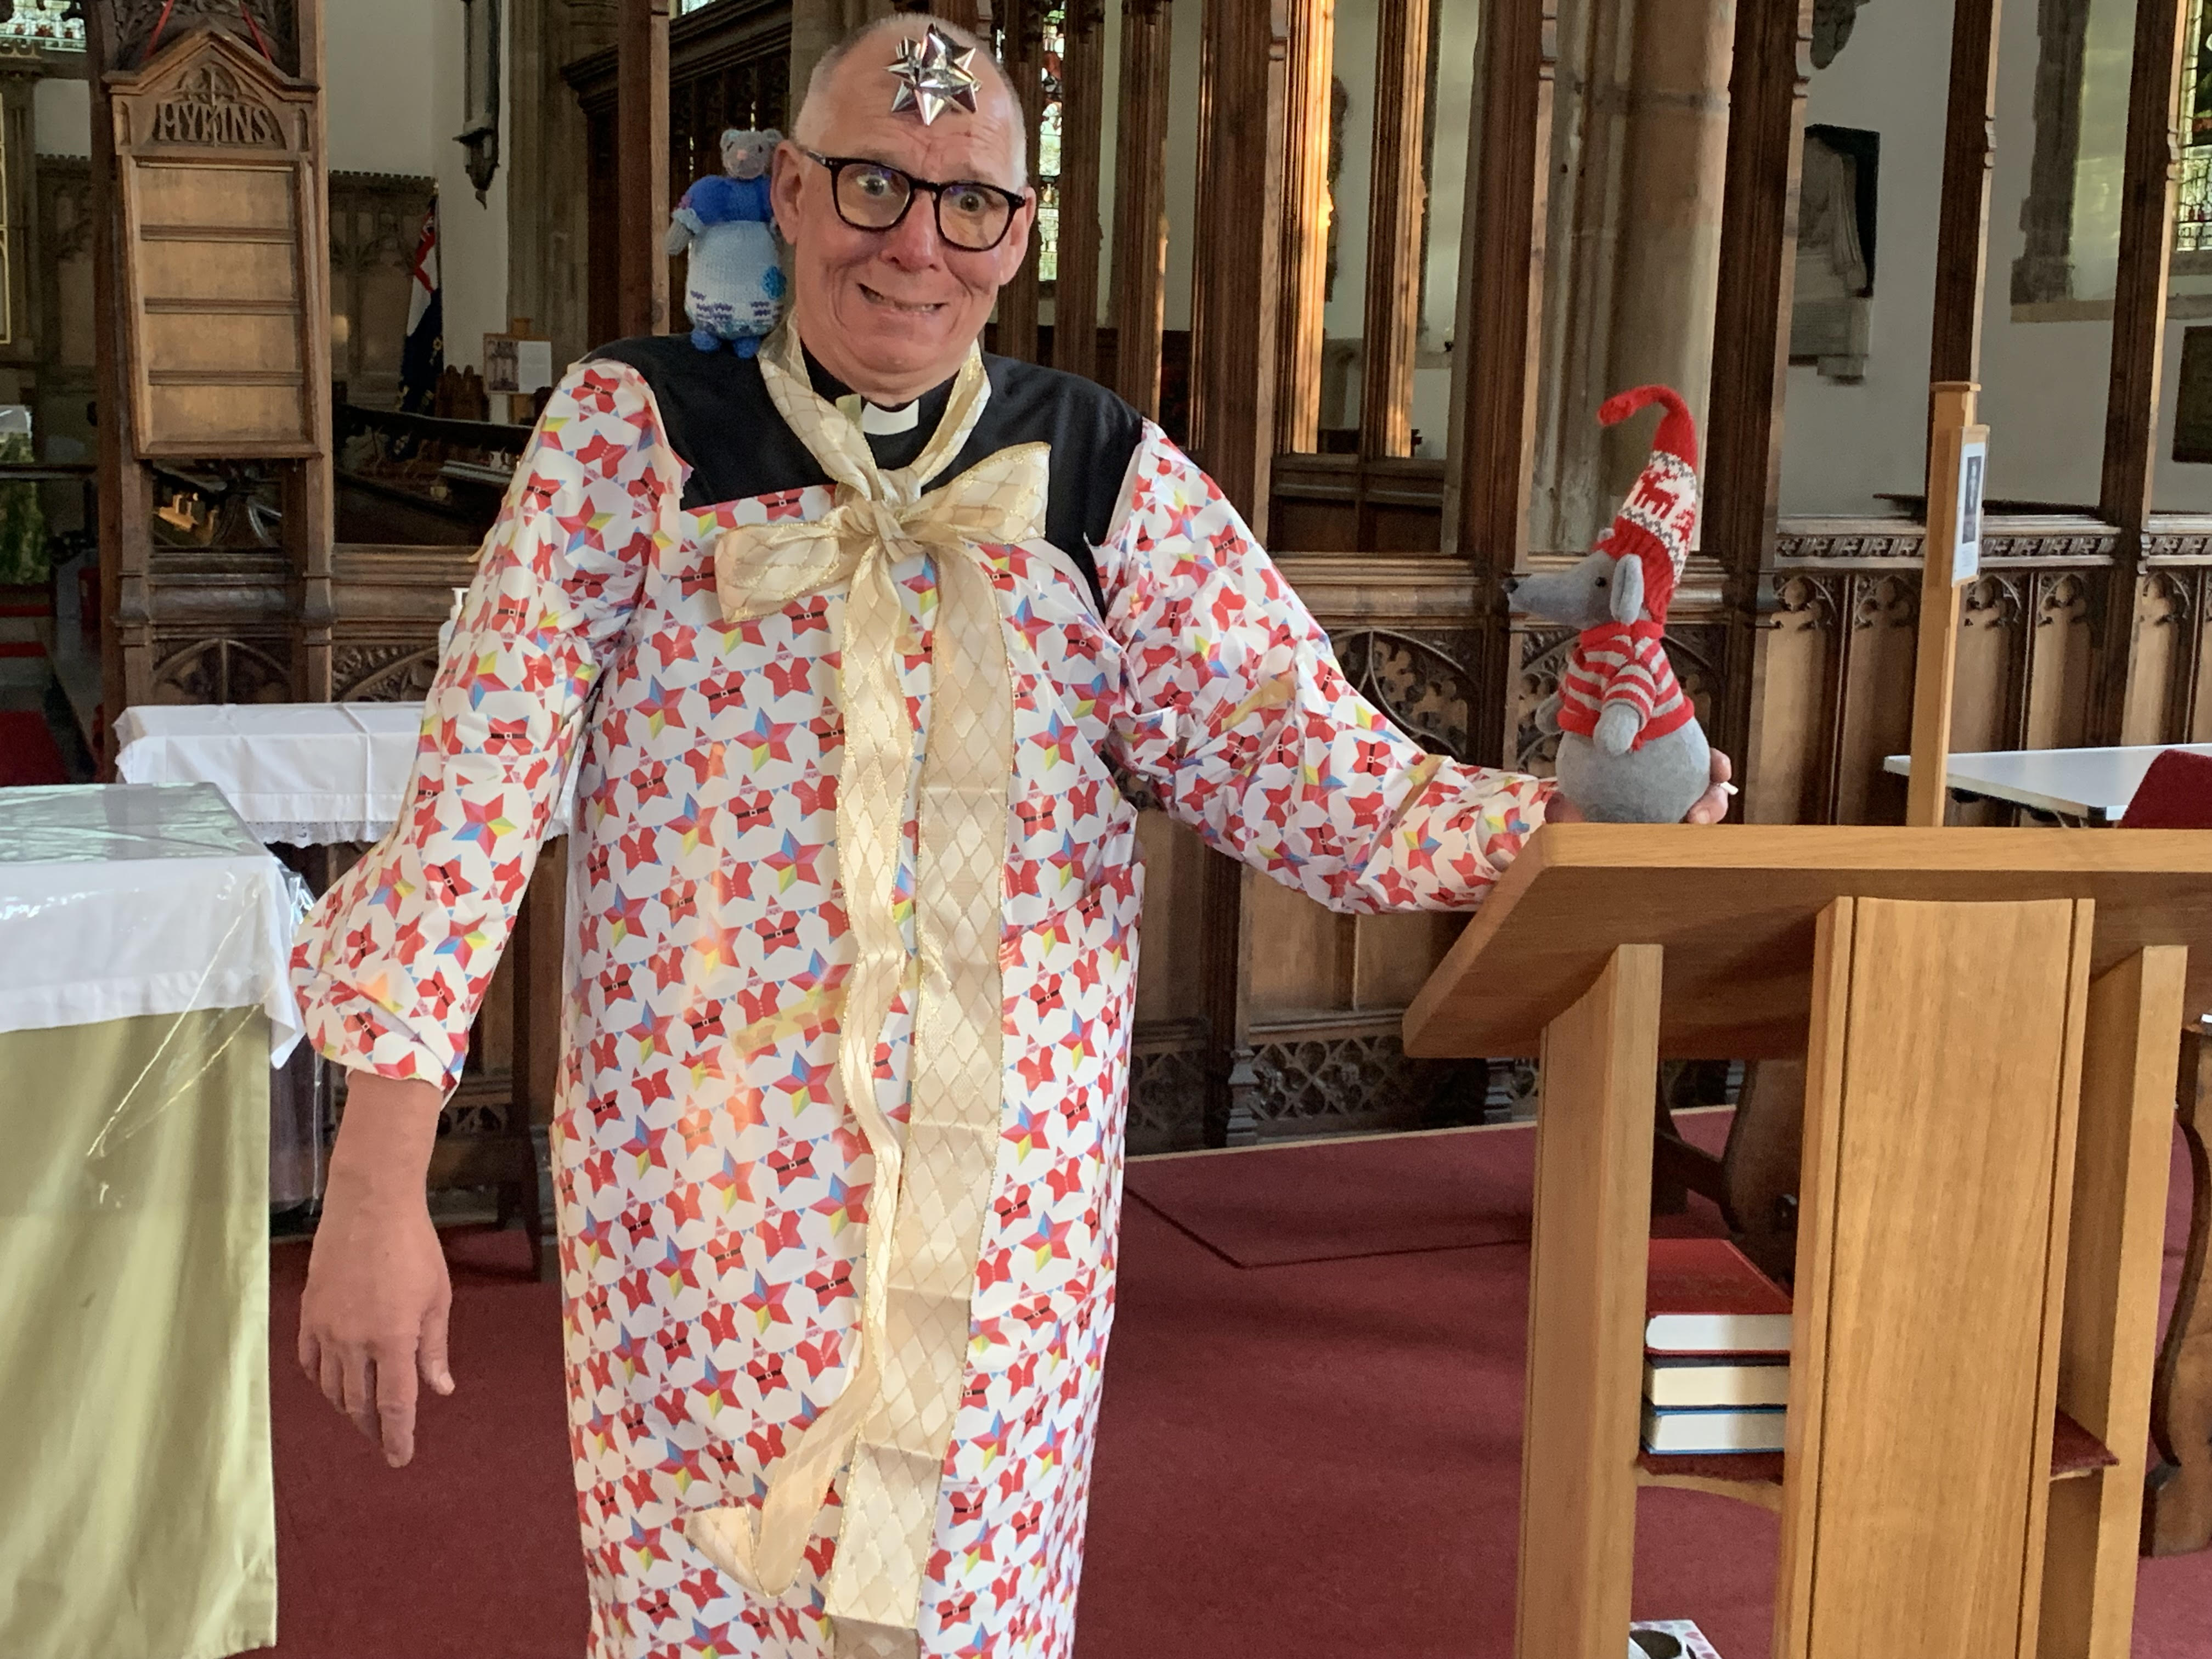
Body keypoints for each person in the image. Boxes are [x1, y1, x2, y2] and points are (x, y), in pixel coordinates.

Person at [291, 15, 1732, 1659]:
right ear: (788, 185)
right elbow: (477, 794)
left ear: (1020, 234)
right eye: (872, 185)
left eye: (966, 201)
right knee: (711, 1612)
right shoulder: (636, 435)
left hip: (1009, 1242)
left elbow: (1303, 761)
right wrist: (379, 1185)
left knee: (979, 1621)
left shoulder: (1102, 466)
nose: (915, 242)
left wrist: (1589, 812)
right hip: (707, 1226)